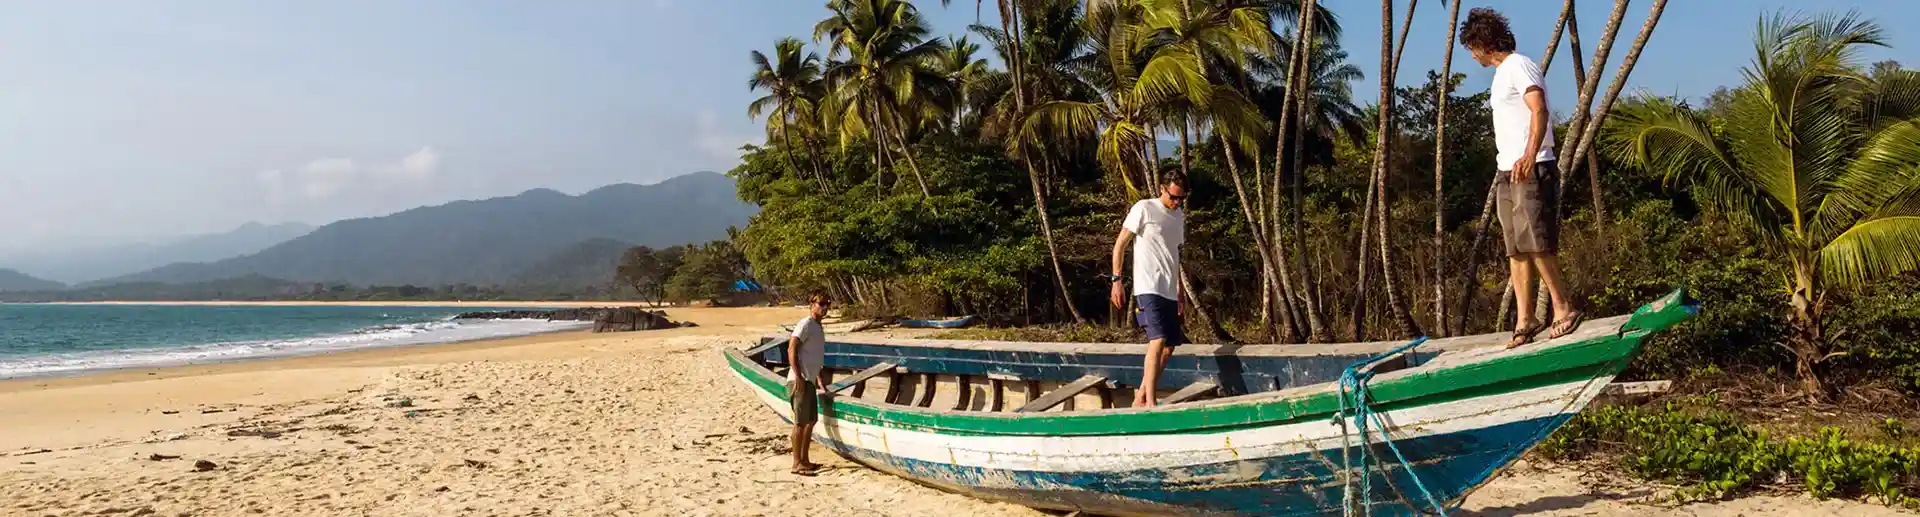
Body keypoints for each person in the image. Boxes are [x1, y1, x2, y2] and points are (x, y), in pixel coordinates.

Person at [1460, 7, 1584, 348]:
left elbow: (1539, 108)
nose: (1471, 55)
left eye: (1472, 47)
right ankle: (1525, 319)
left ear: (1483, 43)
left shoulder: (1519, 65)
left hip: (1532, 165)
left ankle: (1563, 308)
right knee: (1516, 248)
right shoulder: (1501, 75)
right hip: (1507, 170)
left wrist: (1530, 154)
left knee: (1537, 240)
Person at [1109, 171, 1187, 407]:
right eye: (1174, 197)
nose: (1177, 202)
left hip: (1168, 288)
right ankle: (1151, 403)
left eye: (1181, 199)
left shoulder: (1178, 216)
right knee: (1158, 338)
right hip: (1147, 285)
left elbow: (1174, 255)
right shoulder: (1143, 208)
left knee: (1170, 345)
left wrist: (1179, 290)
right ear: (1162, 189)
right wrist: (1116, 280)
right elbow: (1120, 245)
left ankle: (1141, 396)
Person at [786, 293, 831, 476]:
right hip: (801, 380)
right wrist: (798, 376)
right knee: (800, 423)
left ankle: (805, 460)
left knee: (810, 421)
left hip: (810, 380)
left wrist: (819, 381)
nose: (825, 307)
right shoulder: (805, 324)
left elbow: (814, 357)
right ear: (811, 304)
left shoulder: (818, 327)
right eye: (821, 303)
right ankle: (796, 463)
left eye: (828, 304)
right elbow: (792, 348)